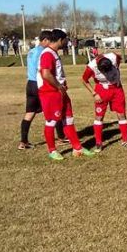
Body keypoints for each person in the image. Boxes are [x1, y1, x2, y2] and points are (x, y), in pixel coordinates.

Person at [37, 29, 93, 160]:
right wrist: (58, 86)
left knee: (68, 119)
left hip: (60, 92)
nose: (67, 42)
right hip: (51, 93)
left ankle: (77, 148)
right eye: (66, 40)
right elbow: (46, 74)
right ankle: (52, 150)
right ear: (60, 40)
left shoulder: (53, 52)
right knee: (51, 121)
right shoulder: (47, 54)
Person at [18, 30, 66, 150]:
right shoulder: (44, 52)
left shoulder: (32, 51)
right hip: (39, 84)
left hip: (30, 84)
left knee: (30, 113)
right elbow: (44, 71)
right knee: (55, 108)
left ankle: (23, 141)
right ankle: (61, 138)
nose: (51, 43)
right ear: (44, 40)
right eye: (49, 41)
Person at [81, 50, 127, 151]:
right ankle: (98, 143)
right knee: (99, 116)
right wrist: (94, 93)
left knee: (121, 114)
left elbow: (119, 60)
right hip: (101, 90)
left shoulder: (113, 57)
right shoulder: (91, 67)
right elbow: (84, 79)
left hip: (117, 89)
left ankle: (125, 140)